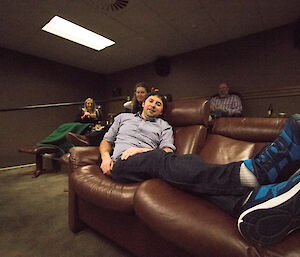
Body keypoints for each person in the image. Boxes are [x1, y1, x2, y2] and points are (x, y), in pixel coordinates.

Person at [100, 91, 300, 245]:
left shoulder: (164, 126)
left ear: (162, 111)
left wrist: (141, 150)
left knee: (185, 168)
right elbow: (106, 141)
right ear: (143, 103)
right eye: (151, 101)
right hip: (122, 164)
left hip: (150, 162)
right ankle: (251, 173)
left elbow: (168, 150)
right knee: (161, 160)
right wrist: (105, 158)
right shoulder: (123, 118)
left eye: (158, 104)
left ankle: (250, 203)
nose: (153, 105)